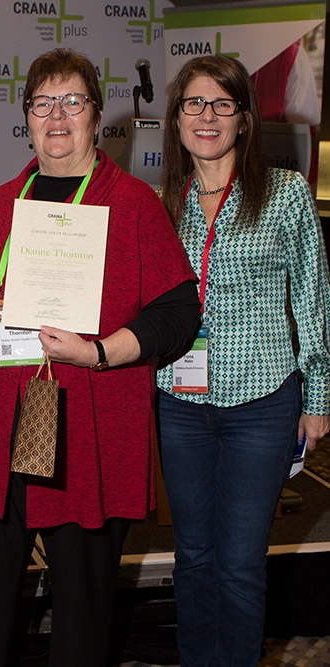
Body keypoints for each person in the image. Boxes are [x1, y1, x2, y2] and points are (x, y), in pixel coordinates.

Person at [0, 48, 201, 667]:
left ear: (95, 116)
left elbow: (178, 316)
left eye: (73, 102)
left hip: (92, 420)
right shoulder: (2, 206)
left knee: (83, 611)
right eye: (42, 104)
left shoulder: (135, 205)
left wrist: (97, 351)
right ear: (27, 118)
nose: (56, 117)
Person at [157, 55, 330, 667]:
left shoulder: (284, 194)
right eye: (194, 104)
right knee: (193, 558)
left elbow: (313, 298)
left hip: (262, 405)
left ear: (245, 119)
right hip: (178, 404)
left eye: (222, 104)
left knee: (238, 563)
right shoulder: (160, 203)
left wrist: (319, 401)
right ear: (176, 119)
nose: (207, 116)